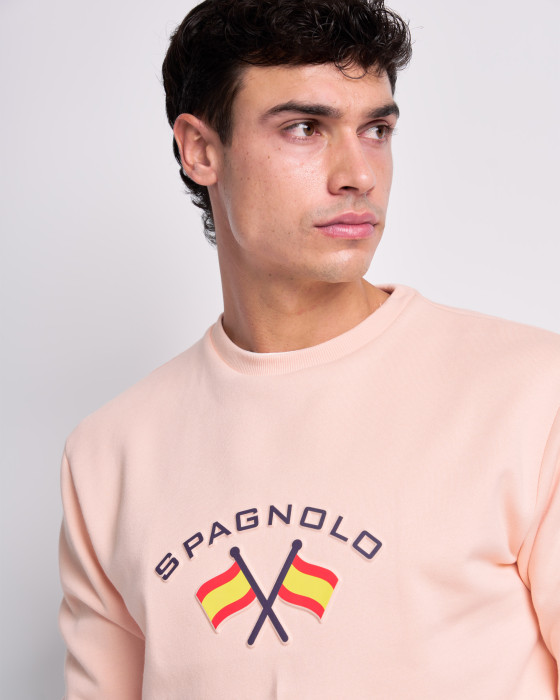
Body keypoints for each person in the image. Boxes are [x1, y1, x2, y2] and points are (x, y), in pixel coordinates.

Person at [58, 0, 560, 697]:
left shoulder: (531, 395)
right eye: (304, 128)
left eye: (376, 129)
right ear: (201, 150)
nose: (358, 174)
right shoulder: (108, 455)